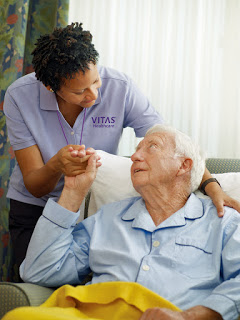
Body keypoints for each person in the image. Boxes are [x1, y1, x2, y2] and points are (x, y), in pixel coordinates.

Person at [3, 23, 240, 271]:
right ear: (51, 87)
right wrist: (56, 165)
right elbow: (34, 185)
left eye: (96, 81)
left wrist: (211, 184)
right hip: (37, 209)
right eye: (80, 91)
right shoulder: (20, 96)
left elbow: (172, 142)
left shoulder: (121, 87)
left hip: (92, 206)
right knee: (32, 278)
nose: (93, 95)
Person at [12, 124, 240, 320]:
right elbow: (39, 271)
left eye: (152, 147)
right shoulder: (106, 218)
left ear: (183, 165)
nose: (134, 156)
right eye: (136, 149)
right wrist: (72, 192)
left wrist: (190, 316)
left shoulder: (222, 221)